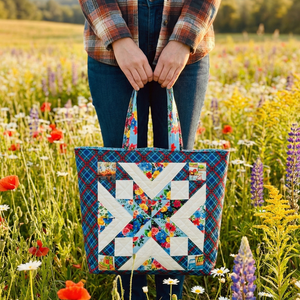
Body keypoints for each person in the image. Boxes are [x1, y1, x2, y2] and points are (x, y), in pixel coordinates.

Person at [78, 0, 221, 298]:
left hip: (186, 44)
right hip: (112, 46)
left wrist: (183, 40)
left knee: (180, 185)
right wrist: (118, 39)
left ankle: (171, 295)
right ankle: (133, 294)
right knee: (121, 185)